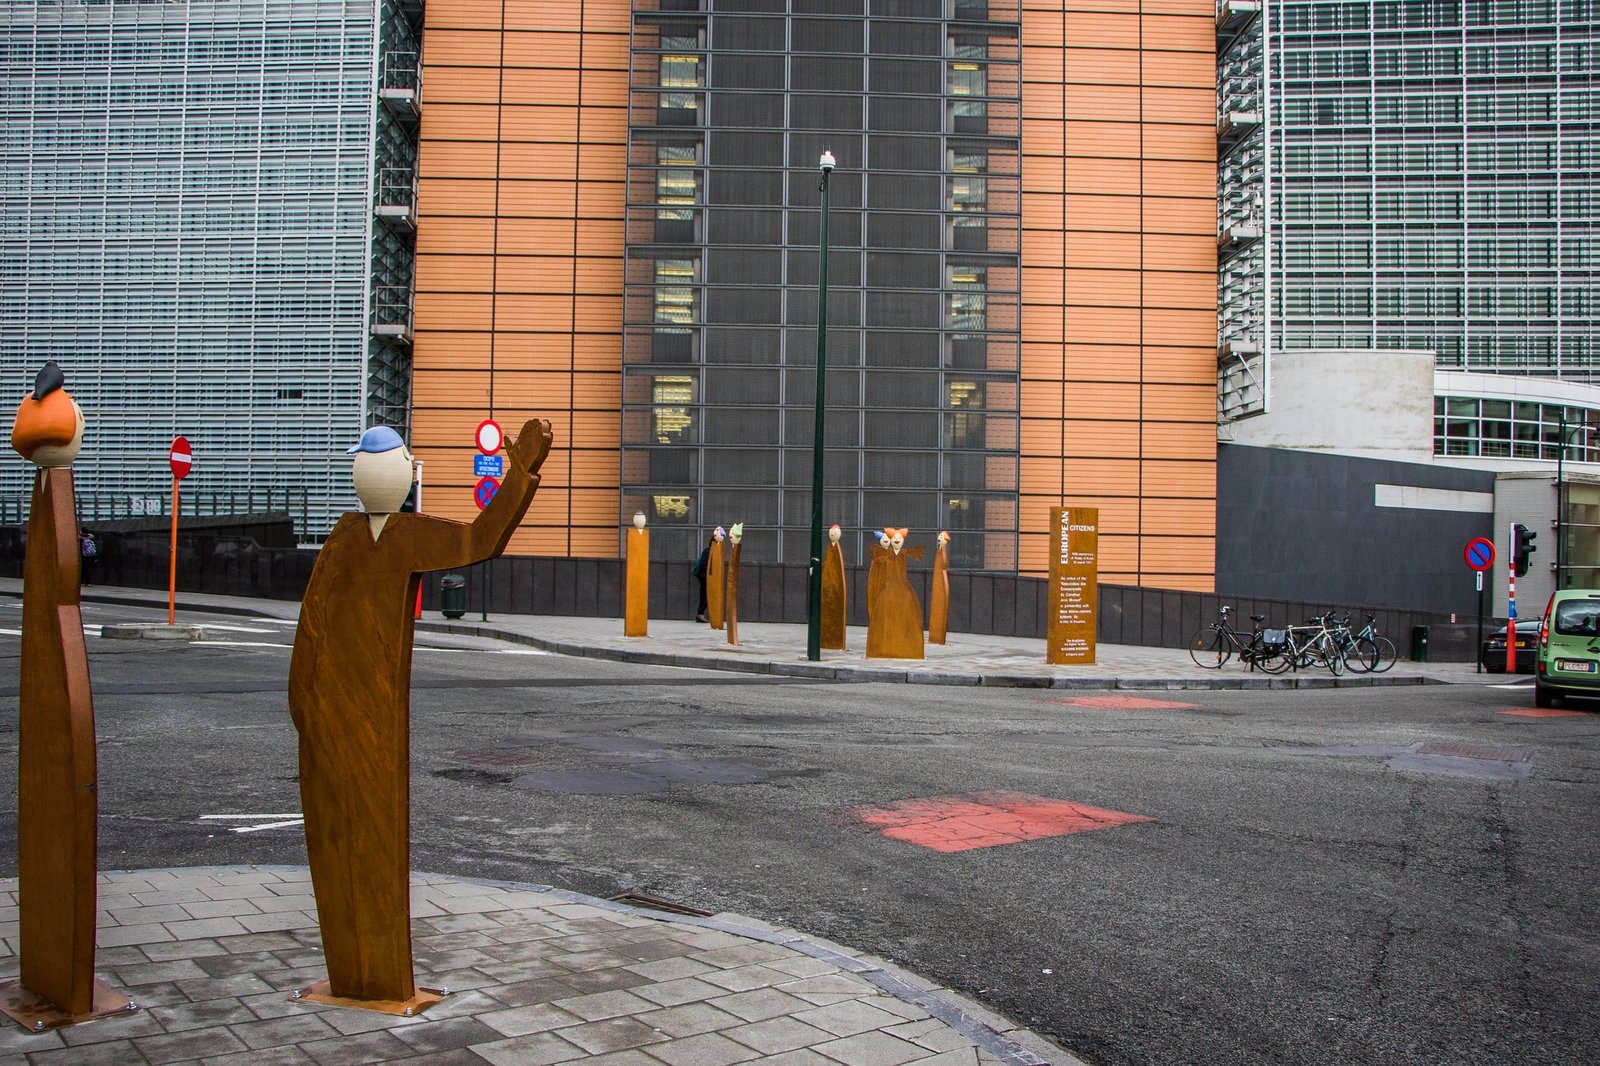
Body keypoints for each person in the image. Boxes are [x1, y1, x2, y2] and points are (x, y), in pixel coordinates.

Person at [692, 535, 711, 622]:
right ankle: (700, 614)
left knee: (705, 595)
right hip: (704, 576)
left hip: (704, 576)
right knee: (706, 595)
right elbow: (703, 564)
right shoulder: (709, 551)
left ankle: (700, 614)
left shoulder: (708, 551)